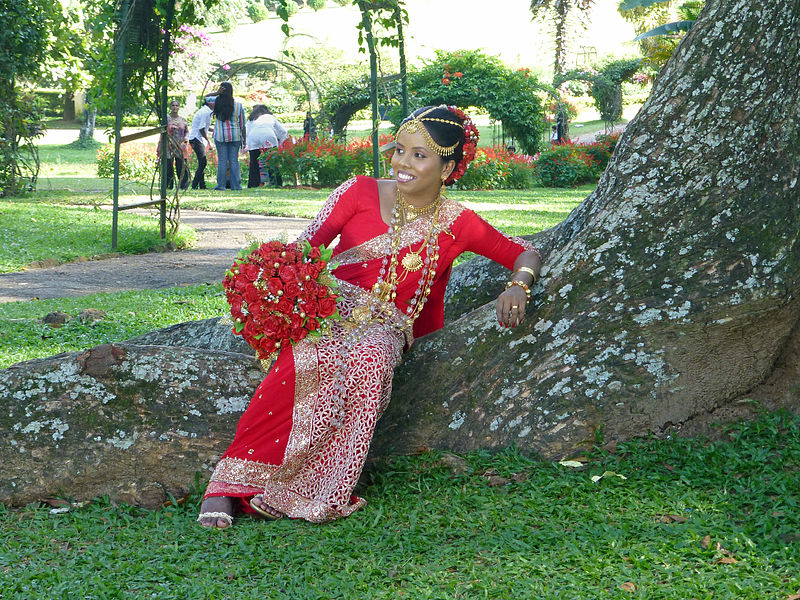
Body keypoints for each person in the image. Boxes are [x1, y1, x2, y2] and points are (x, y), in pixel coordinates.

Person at [197, 105, 542, 528]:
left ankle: (314, 489)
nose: (401, 162)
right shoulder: (358, 191)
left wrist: (518, 284)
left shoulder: (459, 223)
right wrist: (280, 292)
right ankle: (227, 486)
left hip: (387, 325)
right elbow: (304, 250)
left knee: (370, 360)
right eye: (399, 150)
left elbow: (523, 251)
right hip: (328, 306)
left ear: (448, 166)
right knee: (310, 355)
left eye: (419, 155)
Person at [211, 82, 247, 191]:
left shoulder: (216, 103)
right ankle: (236, 186)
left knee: (222, 161)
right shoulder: (238, 105)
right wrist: (244, 139)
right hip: (235, 136)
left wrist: (216, 93)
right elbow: (242, 124)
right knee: (234, 161)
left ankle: (221, 185)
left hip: (220, 136)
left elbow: (206, 98)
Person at [245, 104, 288, 188]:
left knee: (254, 162)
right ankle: (276, 182)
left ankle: (253, 184)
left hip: (253, 138)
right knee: (272, 161)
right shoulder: (270, 117)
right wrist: (281, 144)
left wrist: (246, 144)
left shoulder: (251, 119)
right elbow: (282, 131)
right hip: (269, 136)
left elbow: (246, 132)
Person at [188, 96, 215, 190]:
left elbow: (205, 127)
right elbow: (201, 129)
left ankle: (202, 185)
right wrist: (209, 141)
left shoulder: (207, 111)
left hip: (197, 138)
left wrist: (214, 130)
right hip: (196, 138)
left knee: (202, 162)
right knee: (203, 162)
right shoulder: (206, 112)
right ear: (211, 103)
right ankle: (194, 184)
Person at [165, 99, 189, 190]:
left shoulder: (183, 120)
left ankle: (183, 185)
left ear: (179, 107)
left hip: (180, 146)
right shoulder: (166, 119)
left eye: (177, 105)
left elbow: (187, 131)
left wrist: (186, 139)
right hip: (169, 145)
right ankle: (168, 185)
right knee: (168, 166)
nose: (175, 107)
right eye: (173, 105)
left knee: (181, 166)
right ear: (170, 107)